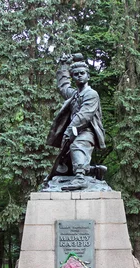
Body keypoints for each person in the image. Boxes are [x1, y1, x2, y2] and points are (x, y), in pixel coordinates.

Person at [45, 54, 106, 190]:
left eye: (82, 73)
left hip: (87, 131)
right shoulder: (74, 95)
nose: (79, 75)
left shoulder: (92, 94)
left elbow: (84, 115)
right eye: (76, 74)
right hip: (73, 131)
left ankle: (80, 179)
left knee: (78, 145)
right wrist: (64, 66)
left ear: (88, 76)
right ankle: (94, 170)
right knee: (65, 164)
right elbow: (63, 86)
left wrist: (70, 130)